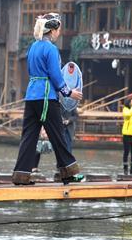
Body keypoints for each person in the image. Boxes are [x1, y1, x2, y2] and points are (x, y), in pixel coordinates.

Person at [11, 13, 83, 185]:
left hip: (31, 95)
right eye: (58, 30)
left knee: (29, 136)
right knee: (58, 134)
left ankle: (20, 176)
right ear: (52, 30)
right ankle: (69, 173)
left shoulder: (33, 46)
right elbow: (56, 75)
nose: (59, 33)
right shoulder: (50, 48)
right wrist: (68, 93)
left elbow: (30, 70)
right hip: (46, 96)